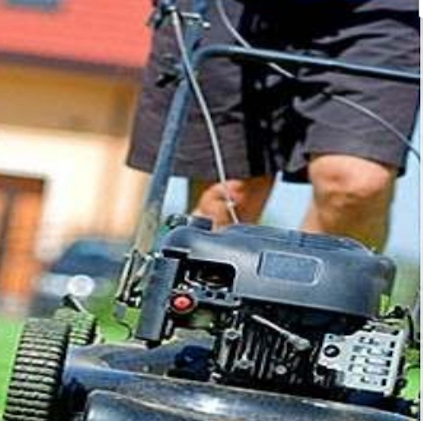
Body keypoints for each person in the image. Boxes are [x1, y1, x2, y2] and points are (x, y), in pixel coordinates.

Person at [127, 0, 420, 251]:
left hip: (376, 12)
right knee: (227, 197)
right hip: (234, 11)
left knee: (355, 184)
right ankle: (205, 299)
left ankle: (311, 297)